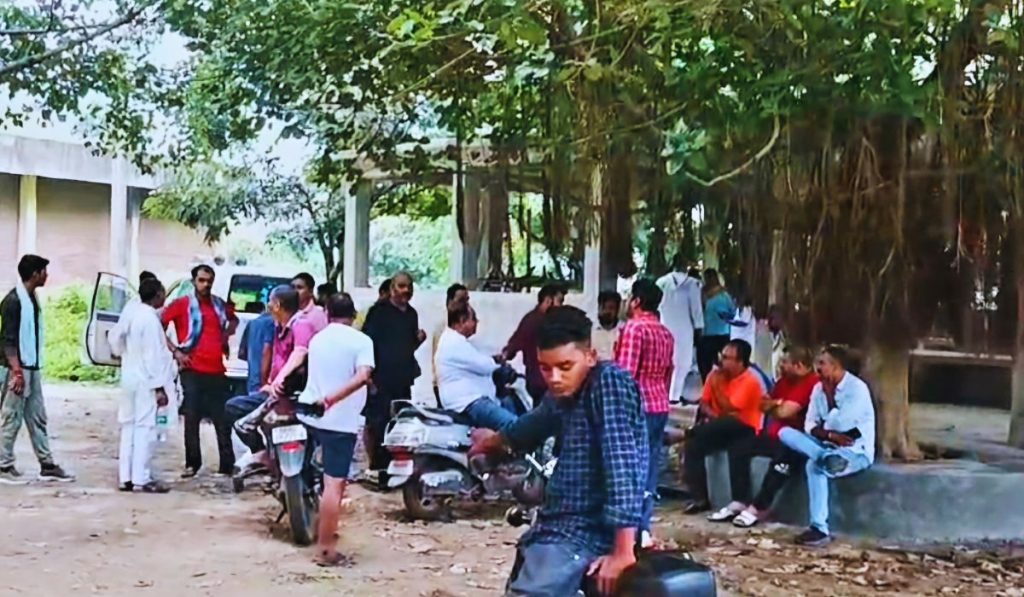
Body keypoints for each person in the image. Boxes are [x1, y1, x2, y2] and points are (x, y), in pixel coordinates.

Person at [470, 306, 647, 596]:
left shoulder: (608, 383)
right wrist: (492, 441)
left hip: (583, 532)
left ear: (590, 357)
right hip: (556, 526)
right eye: (545, 368)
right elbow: (530, 426)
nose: (554, 377)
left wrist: (623, 551)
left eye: (565, 366)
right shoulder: (563, 394)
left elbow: (622, 466)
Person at [297, 293, 374, 567]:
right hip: (339, 421)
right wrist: (331, 399)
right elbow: (363, 376)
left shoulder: (318, 339)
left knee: (317, 476)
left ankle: (318, 527)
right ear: (353, 315)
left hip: (309, 416)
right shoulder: (361, 341)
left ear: (328, 313)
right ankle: (326, 549)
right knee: (334, 485)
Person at [707, 346, 818, 527]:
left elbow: (784, 412)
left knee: (782, 461)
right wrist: (778, 403)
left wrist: (775, 406)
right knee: (739, 446)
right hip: (774, 436)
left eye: (785, 362)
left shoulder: (811, 383)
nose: (780, 366)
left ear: (798, 366)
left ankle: (758, 508)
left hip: (798, 442)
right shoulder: (784, 381)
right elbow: (762, 404)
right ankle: (739, 500)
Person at [780, 345, 876, 547]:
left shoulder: (857, 389)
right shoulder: (818, 389)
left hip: (854, 452)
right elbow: (809, 425)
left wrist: (827, 424)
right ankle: (824, 457)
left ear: (836, 366)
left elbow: (843, 425)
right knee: (785, 433)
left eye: (822, 364)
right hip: (826, 446)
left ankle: (819, 529)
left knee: (813, 466)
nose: (817, 368)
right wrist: (830, 435)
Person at [0, 255, 73, 483]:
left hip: (31, 367)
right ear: (34, 274)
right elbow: (8, 341)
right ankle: (3, 465)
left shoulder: (30, 298)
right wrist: (17, 372)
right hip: (18, 368)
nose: (46, 275)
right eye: (43, 271)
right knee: (11, 417)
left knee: (37, 416)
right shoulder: (13, 301)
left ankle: (47, 464)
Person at [226, 286, 317, 468]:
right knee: (238, 411)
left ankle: (264, 455)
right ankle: (266, 454)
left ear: (277, 305)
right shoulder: (278, 328)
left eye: (270, 302)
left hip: (292, 394)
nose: (268, 306)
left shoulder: (300, 324)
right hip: (277, 392)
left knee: (237, 412)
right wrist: (269, 382)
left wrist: (278, 381)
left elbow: (300, 352)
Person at [161, 264, 238, 477]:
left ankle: (227, 464)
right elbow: (159, 325)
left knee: (222, 418)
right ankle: (192, 463)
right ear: (193, 281)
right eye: (202, 280)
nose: (205, 285)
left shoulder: (219, 305)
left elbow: (233, 320)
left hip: (216, 369)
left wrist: (225, 336)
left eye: (209, 281)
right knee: (192, 417)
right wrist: (176, 352)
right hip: (192, 368)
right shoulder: (182, 305)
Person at [614, 278, 674, 549]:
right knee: (650, 467)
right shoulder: (665, 333)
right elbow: (669, 371)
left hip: (637, 407)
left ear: (637, 301)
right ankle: (644, 527)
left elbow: (626, 375)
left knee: (628, 467)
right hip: (659, 404)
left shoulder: (634, 328)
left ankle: (628, 529)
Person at [682, 339, 764, 514]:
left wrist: (717, 385)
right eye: (722, 356)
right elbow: (704, 402)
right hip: (719, 426)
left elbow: (730, 409)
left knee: (730, 425)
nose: (721, 361)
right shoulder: (714, 375)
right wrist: (713, 416)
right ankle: (699, 498)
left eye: (726, 358)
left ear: (740, 362)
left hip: (744, 427)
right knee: (693, 446)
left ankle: (685, 433)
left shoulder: (750, 381)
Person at [361, 272, 425, 488]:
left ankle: (398, 470)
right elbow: (367, 344)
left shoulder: (412, 314)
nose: (405, 291)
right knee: (378, 424)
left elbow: (408, 346)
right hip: (380, 379)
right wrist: (369, 377)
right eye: (401, 286)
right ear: (392, 289)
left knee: (400, 423)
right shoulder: (378, 313)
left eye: (409, 286)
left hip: (403, 380)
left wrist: (418, 341)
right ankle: (379, 471)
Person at [112, 278, 176, 494]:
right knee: (145, 428)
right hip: (145, 382)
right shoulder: (150, 320)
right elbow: (153, 357)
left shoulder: (131, 313)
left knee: (128, 426)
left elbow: (115, 341)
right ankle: (141, 477)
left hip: (129, 377)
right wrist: (159, 387)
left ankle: (126, 477)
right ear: (157, 295)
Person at [436, 304, 517, 431]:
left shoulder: (456, 340)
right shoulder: (454, 342)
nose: (476, 323)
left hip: (472, 399)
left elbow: (475, 360)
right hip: (470, 402)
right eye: (473, 319)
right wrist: (498, 363)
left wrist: (493, 360)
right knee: (512, 424)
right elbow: (484, 366)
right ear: (462, 321)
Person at [503, 284, 566, 404]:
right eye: (560, 301)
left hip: (538, 380)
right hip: (544, 381)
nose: (561, 306)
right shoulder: (540, 322)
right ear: (548, 300)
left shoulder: (531, 319)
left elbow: (513, 345)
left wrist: (506, 354)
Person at [656, 255, 703, 402]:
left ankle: (664, 393)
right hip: (685, 330)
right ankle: (675, 395)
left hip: (664, 328)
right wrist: (699, 327)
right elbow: (696, 309)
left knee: (665, 361)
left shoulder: (661, 282)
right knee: (683, 364)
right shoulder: (693, 284)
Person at [431, 283, 470, 402]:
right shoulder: (442, 329)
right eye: (461, 300)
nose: (466, 305)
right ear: (449, 302)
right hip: (444, 384)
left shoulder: (467, 327)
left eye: (467, 300)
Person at [697, 269, 735, 381]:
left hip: (707, 333)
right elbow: (732, 312)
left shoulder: (701, 294)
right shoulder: (724, 294)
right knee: (724, 362)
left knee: (705, 364)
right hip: (723, 333)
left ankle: (708, 384)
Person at [238, 303, 274, 395]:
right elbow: (267, 351)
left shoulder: (252, 323)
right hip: (268, 383)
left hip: (253, 382)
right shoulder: (273, 323)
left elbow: (242, 354)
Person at [592, 291, 622, 361]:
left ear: (617, 310)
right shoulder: (590, 328)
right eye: (604, 307)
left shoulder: (623, 330)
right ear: (599, 307)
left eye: (611, 308)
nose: (607, 311)